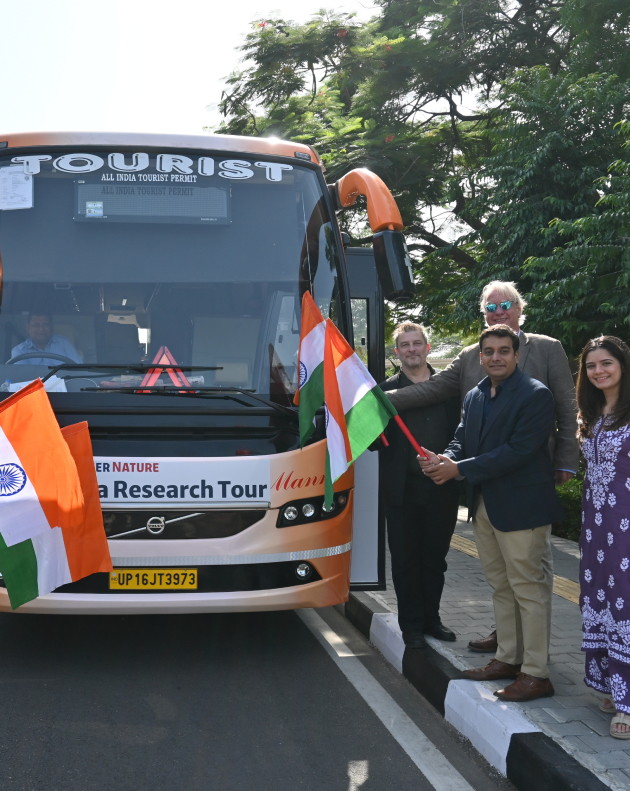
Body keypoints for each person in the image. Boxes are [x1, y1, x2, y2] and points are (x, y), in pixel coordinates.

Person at [386, 281, 578, 654]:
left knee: (531, 573)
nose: (499, 310)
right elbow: (437, 390)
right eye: (491, 307)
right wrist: (378, 397)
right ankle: (506, 641)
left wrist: (567, 463)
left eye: (506, 304)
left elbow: (567, 411)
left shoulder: (548, 350)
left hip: (527, 480)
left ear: (520, 310)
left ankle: (534, 660)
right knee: (499, 576)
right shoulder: (471, 361)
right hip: (481, 483)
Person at [420, 325, 563, 702]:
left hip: (523, 509)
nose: (495, 357)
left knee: (529, 591)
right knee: (502, 588)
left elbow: (518, 451)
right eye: (488, 351)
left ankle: (536, 674)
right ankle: (507, 658)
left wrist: (459, 469)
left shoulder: (536, 395)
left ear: (517, 355)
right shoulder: (475, 395)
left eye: (503, 350)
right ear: (480, 357)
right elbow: (463, 436)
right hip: (485, 506)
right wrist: (446, 457)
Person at [379, 323, 461, 649]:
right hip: (401, 492)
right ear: (397, 353)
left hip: (442, 488)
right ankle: (411, 626)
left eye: (416, 343)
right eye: (404, 344)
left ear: (428, 348)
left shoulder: (449, 389)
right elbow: (371, 444)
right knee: (405, 560)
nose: (411, 349)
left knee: (434, 560)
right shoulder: (382, 393)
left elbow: (462, 434)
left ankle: (432, 619)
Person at [576, 335, 630, 739]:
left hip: (625, 525)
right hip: (596, 527)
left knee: (626, 603)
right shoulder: (593, 413)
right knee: (601, 599)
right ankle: (613, 683)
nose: (599, 371)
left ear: (623, 366)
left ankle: (627, 703)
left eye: (607, 363)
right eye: (592, 365)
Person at [11, 313, 82, 365]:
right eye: (36, 325)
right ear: (28, 328)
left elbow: (79, 369)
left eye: (45, 325)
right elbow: (22, 378)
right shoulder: (19, 351)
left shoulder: (64, 344)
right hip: (33, 386)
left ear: (51, 327)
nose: (41, 329)